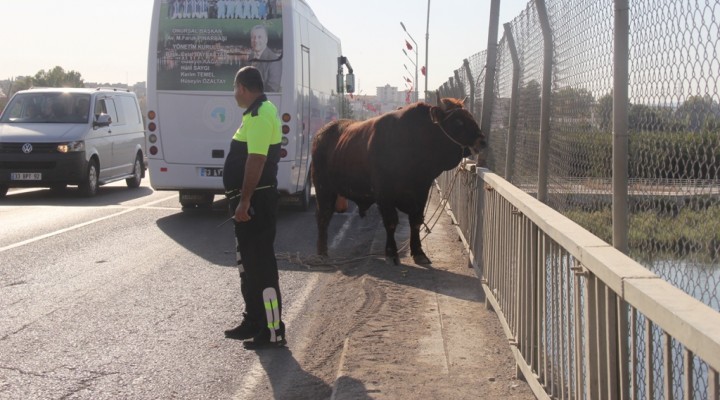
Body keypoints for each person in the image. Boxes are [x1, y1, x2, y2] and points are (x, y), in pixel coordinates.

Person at [222, 66, 285, 348]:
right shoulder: (255, 112)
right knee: (247, 266)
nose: (234, 93)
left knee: (261, 268)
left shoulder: (260, 115)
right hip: (249, 201)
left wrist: (245, 201)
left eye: (235, 88)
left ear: (244, 88)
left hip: (256, 202)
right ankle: (254, 321)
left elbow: (256, 160)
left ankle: (272, 330)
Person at [246, 24, 281, 92]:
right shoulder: (251, 56)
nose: (255, 40)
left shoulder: (275, 60)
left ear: (266, 40)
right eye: (253, 37)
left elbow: (273, 89)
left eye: (259, 37)